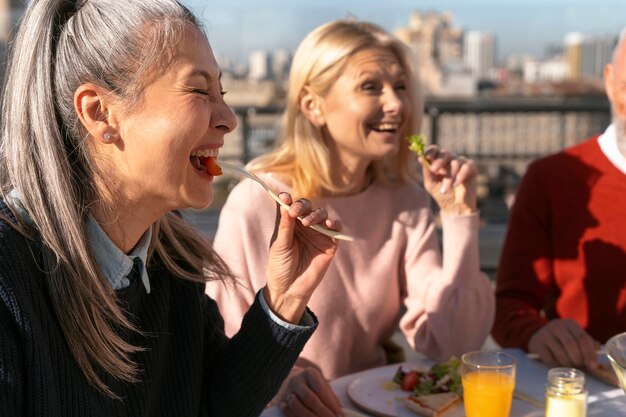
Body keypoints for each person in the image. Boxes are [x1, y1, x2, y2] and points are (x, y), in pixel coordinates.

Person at [0, 1, 343, 416]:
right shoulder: (9, 275)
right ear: (99, 112)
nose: (229, 119)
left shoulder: (170, 259)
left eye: (223, 93)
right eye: (199, 90)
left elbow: (214, 405)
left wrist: (284, 301)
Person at [206, 20, 495, 416]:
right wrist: (281, 380)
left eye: (401, 86)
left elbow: (456, 343)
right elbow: (222, 344)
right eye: (371, 87)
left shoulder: (406, 199)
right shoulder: (259, 201)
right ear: (313, 105)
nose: (396, 104)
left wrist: (459, 216)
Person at [492, 28, 626, 371]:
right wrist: (539, 333)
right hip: (588, 390)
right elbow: (509, 308)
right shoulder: (551, 179)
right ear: (609, 81)